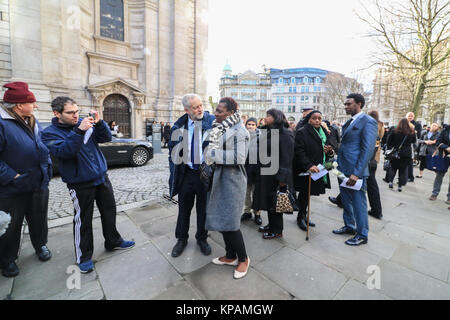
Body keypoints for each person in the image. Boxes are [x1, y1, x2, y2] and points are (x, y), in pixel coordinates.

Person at [42, 97, 135, 274]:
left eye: (77, 111)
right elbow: (64, 152)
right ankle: (84, 256)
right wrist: (78, 131)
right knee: (83, 219)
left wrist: (99, 123)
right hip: (79, 183)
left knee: (109, 211)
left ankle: (113, 241)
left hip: (101, 177)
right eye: (70, 112)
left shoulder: (84, 124)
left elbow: (105, 138)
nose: (75, 115)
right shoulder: (49, 133)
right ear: (57, 113)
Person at [0, 82, 53, 277]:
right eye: (32, 102)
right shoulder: (1, 122)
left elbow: (41, 145)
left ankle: (40, 245)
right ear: (19, 105)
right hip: (12, 188)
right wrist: (12, 176)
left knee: (39, 218)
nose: (36, 105)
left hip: (38, 182)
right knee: (11, 225)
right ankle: (7, 259)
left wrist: (46, 166)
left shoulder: (31, 119)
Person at [205, 97, 250, 279]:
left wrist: (212, 153)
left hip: (232, 180)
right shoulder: (221, 127)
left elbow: (239, 157)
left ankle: (243, 258)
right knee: (223, 220)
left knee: (231, 223)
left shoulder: (240, 130)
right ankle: (230, 255)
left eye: (220, 111)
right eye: (216, 110)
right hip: (220, 178)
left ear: (230, 113)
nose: (216, 113)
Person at [168, 94, 215, 258]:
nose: (200, 109)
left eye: (201, 105)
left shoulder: (212, 122)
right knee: (184, 210)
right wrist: (173, 174)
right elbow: (172, 154)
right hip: (186, 174)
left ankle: (202, 239)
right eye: (195, 107)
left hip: (204, 174)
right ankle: (181, 239)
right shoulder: (178, 127)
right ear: (187, 110)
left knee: (203, 210)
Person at [332, 94, 378, 246]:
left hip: (354, 172)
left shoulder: (368, 122)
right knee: (345, 201)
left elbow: (367, 150)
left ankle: (362, 234)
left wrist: (356, 173)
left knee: (359, 204)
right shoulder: (350, 121)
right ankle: (350, 226)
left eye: (349, 104)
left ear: (359, 104)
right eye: (345, 104)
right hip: (343, 169)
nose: (346, 106)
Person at [253, 109, 294, 239]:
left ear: (277, 118)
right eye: (266, 115)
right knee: (269, 202)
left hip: (277, 175)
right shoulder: (269, 131)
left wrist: (282, 179)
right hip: (266, 173)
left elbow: (287, 158)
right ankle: (271, 225)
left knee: (276, 203)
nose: (266, 117)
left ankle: (277, 230)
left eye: (269, 116)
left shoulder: (286, 134)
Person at [294, 110, 335, 231]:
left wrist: (330, 151)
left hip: (320, 167)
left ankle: (304, 215)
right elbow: (298, 151)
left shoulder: (324, 132)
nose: (317, 120)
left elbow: (330, 148)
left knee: (309, 193)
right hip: (307, 168)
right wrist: (308, 165)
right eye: (314, 118)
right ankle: (300, 216)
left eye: (319, 118)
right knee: (304, 193)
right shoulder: (302, 132)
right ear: (309, 120)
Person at [241, 117, 262, 225]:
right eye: (249, 124)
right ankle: (247, 211)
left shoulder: (261, 137)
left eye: (253, 124)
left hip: (257, 169)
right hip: (246, 168)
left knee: (256, 193)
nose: (250, 126)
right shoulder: (242, 136)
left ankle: (257, 213)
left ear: (256, 126)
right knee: (246, 192)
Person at [386, 118, 417, 192]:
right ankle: (400, 186)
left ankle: (390, 182)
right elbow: (414, 141)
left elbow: (389, 142)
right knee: (402, 170)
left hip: (396, 152)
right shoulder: (411, 132)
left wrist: (391, 148)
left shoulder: (394, 131)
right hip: (406, 153)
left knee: (393, 168)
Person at [367, 110, 385, 219]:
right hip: (374, 157)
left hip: (369, 158)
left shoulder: (370, 126)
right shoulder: (381, 125)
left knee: (370, 183)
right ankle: (377, 210)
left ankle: (377, 210)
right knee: (370, 182)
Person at [429, 124, 450, 203]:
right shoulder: (445, 130)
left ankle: (449, 197)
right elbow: (438, 142)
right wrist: (446, 147)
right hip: (444, 156)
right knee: (439, 175)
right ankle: (434, 194)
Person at [406, 112, 422, 182]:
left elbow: (418, 135)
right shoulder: (404, 123)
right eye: (409, 116)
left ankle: (410, 176)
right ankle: (404, 176)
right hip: (404, 144)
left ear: (414, 117)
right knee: (404, 161)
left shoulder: (417, 124)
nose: (410, 117)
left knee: (409, 161)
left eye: (411, 116)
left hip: (412, 144)